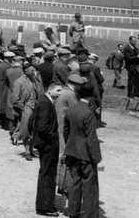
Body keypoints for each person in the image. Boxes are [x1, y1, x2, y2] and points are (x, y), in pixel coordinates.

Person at [63, 83, 102, 218]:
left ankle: (73, 213)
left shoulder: (69, 110)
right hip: (85, 155)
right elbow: (91, 139)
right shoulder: (88, 114)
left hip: (72, 151)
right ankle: (89, 215)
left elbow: (66, 133)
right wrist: (97, 159)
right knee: (89, 187)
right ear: (91, 96)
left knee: (74, 184)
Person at [32, 82, 63, 217]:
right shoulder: (45, 104)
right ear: (50, 91)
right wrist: (52, 141)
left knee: (47, 174)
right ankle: (45, 206)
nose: (60, 93)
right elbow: (42, 127)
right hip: (47, 145)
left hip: (45, 144)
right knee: (47, 175)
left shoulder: (45, 101)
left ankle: (46, 204)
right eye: (58, 90)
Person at [11, 63, 40, 160]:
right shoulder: (19, 82)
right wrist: (23, 107)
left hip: (35, 107)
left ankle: (31, 150)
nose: (33, 72)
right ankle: (27, 151)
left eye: (33, 70)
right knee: (26, 130)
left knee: (35, 129)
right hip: (27, 108)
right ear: (25, 70)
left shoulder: (34, 80)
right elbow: (15, 98)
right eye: (31, 70)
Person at [55, 74, 84, 154]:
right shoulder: (70, 94)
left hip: (56, 116)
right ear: (74, 84)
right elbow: (75, 109)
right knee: (62, 138)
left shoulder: (60, 90)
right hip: (63, 119)